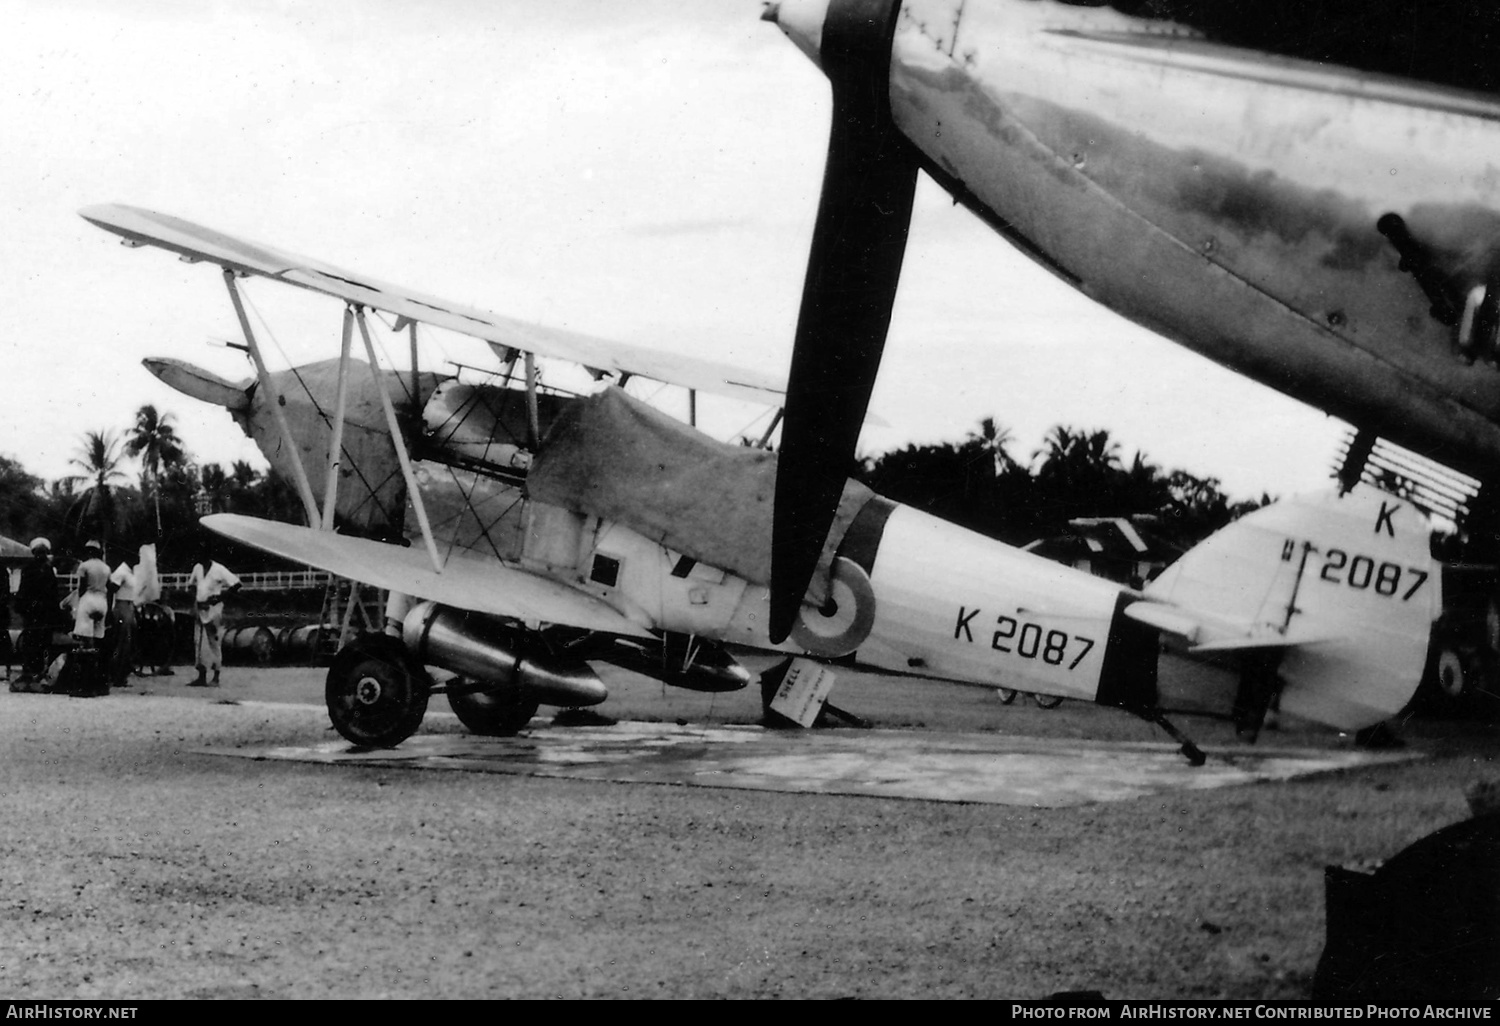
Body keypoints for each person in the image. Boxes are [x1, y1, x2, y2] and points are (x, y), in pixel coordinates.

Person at [188, 545, 241, 686]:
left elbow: (236, 584)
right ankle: (201, 675)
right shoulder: (197, 568)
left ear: (207, 556)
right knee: (198, 641)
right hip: (200, 607)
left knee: (213, 642)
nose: (198, 559)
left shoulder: (219, 569)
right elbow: (191, 585)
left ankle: (216, 676)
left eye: (201, 555)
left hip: (213, 609)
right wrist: (194, 600)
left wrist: (220, 598)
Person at [13, 538, 59, 688]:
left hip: (31, 612)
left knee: (30, 642)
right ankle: (39, 672)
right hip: (45, 612)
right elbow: (54, 594)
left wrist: (21, 607)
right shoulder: (49, 570)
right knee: (42, 642)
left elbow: (23, 591)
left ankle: (29, 672)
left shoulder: (28, 569)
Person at [108, 558, 138, 686]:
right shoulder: (121, 571)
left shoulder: (131, 572)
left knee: (128, 642)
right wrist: (109, 609)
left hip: (130, 605)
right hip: (122, 606)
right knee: (122, 642)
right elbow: (111, 590)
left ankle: (122, 674)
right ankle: (117, 675)